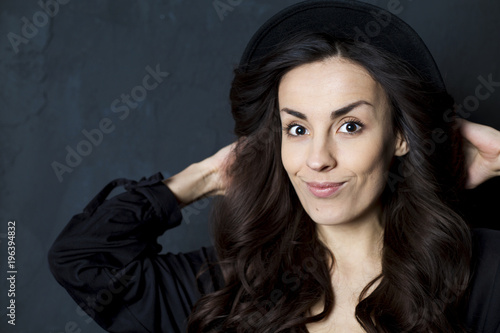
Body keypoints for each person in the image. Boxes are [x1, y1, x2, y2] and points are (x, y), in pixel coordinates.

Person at [48, 1, 500, 332]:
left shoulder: (475, 271)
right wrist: (203, 177)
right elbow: (81, 259)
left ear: (400, 137)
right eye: (297, 129)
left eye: (349, 126)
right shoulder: (230, 289)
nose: (318, 159)